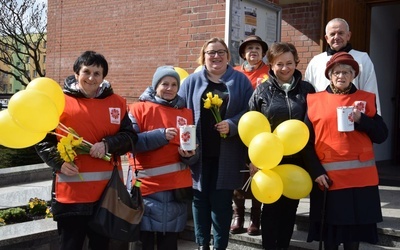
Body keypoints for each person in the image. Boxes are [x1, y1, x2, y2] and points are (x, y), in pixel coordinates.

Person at [35, 51, 138, 250]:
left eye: (97, 73)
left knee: (101, 246)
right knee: (70, 245)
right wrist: (59, 163)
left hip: (106, 195)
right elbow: (42, 140)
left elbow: (130, 137)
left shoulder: (116, 103)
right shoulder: (59, 102)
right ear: (76, 73)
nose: (91, 78)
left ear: (103, 77)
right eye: (86, 72)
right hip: (71, 195)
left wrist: (108, 144)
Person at [303, 52, 388, 250]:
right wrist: (316, 172)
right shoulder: (314, 101)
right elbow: (305, 143)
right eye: (337, 72)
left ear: (353, 76)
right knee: (330, 239)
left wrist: (362, 120)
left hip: (360, 182)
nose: (341, 76)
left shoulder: (366, 100)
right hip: (328, 180)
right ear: (329, 75)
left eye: (347, 72)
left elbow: (382, 135)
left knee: (353, 238)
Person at [178, 37, 253, 250]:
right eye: (211, 52)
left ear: (228, 56)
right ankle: (202, 244)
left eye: (221, 52)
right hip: (199, 154)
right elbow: (179, 111)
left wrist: (232, 124)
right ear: (203, 57)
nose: (216, 56)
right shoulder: (192, 81)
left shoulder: (240, 81)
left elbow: (251, 111)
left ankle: (220, 245)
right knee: (200, 200)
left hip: (227, 154)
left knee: (221, 203)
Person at [248, 42, 315, 250]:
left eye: (289, 63)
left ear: (296, 62)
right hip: (270, 162)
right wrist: (252, 159)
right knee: (270, 211)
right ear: (271, 65)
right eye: (279, 64)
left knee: (289, 211)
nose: (284, 68)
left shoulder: (307, 90)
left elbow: (313, 123)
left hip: (298, 161)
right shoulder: (262, 91)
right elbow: (251, 126)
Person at [127, 65, 199, 250]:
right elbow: (129, 143)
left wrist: (190, 156)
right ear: (155, 85)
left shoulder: (186, 112)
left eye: (174, 84)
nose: (169, 88)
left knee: (170, 242)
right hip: (148, 188)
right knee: (147, 241)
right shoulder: (138, 109)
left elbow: (193, 150)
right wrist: (159, 136)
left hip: (177, 189)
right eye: (164, 83)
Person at [231, 35, 269, 235]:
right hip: (238, 130)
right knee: (239, 172)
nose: (253, 51)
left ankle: (256, 216)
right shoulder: (234, 73)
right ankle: (238, 215)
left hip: (261, 132)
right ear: (243, 54)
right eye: (249, 48)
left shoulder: (269, 72)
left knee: (259, 173)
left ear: (263, 52)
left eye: (257, 48)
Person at [305, 17, 381, 115]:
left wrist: (372, 122)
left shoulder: (362, 59)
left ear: (348, 36)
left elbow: (371, 92)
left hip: (352, 118)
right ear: (326, 38)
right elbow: (309, 94)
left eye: (341, 33)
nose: (336, 37)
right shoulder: (316, 61)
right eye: (332, 34)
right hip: (323, 116)